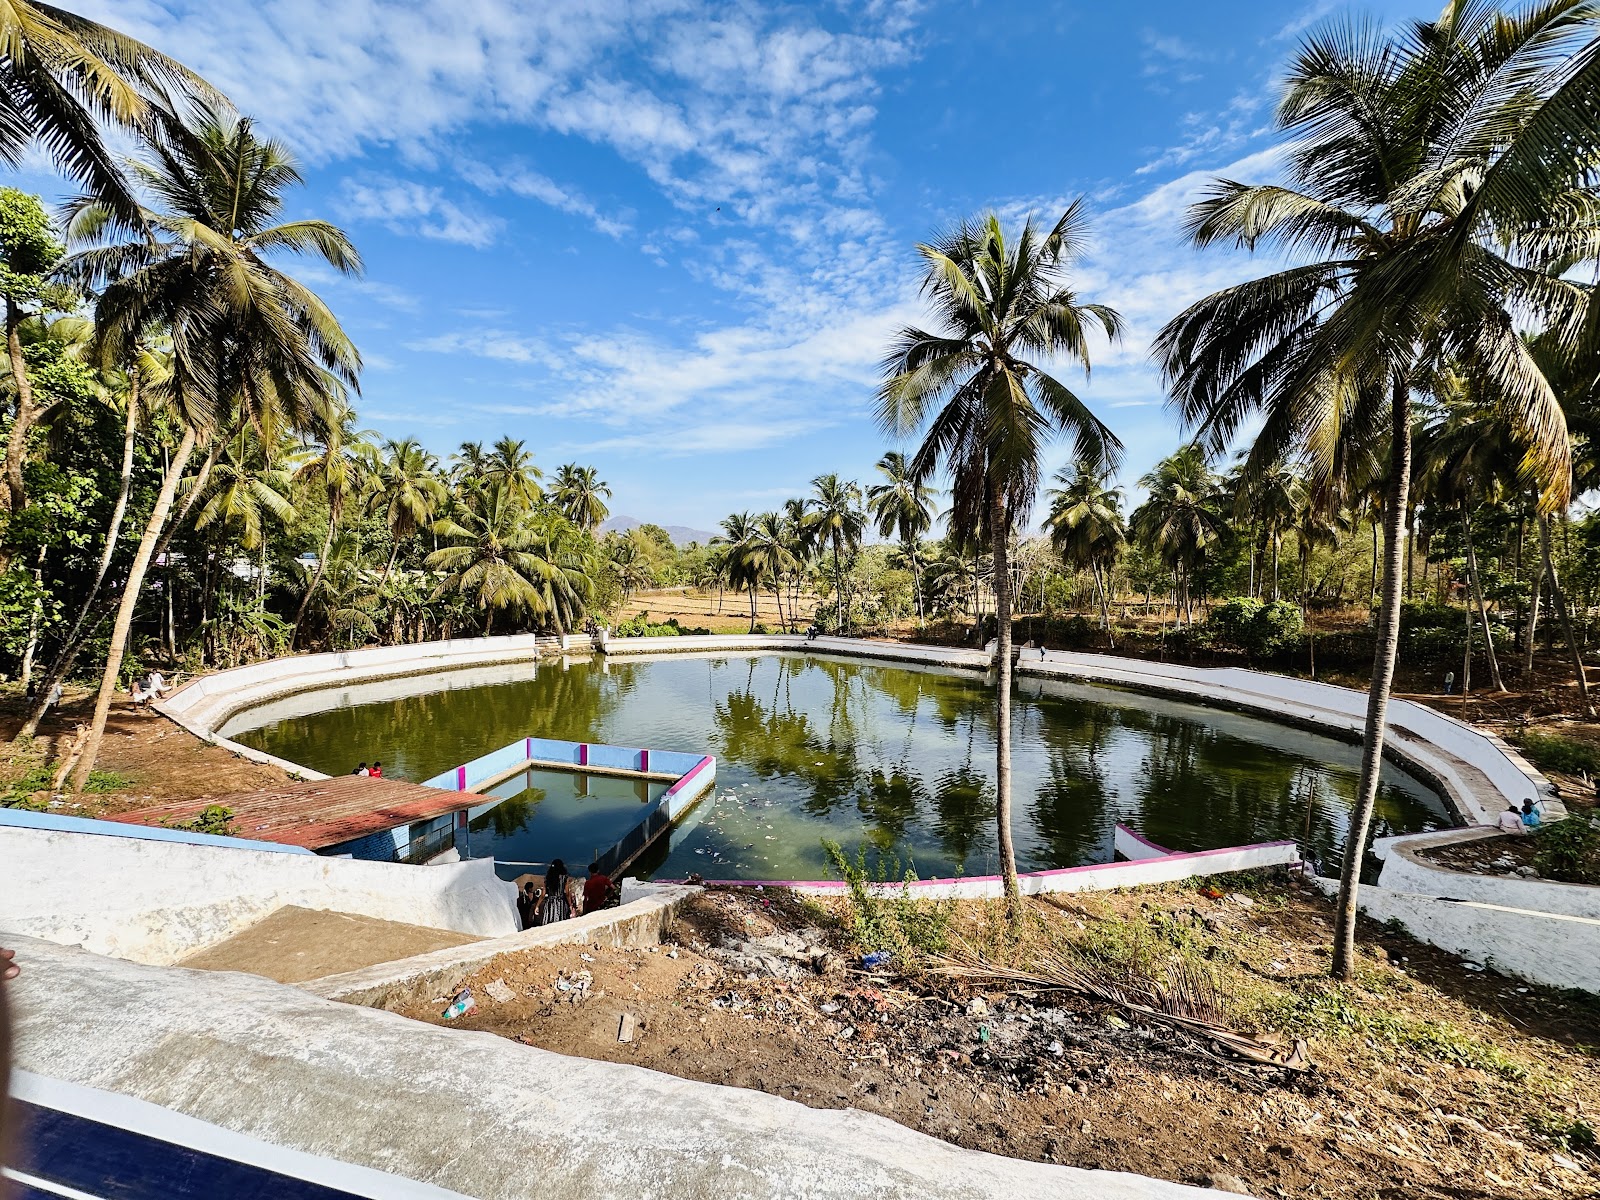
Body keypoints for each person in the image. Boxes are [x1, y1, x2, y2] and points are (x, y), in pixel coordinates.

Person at [536, 859, 572, 926]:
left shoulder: (547, 878)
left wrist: (537, 906)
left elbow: (543, 894)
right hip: (561, 903)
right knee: (561, 923)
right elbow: (567, 893)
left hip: (550, 903)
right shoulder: (564, 878)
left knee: (549, 922)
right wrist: (570, 905)